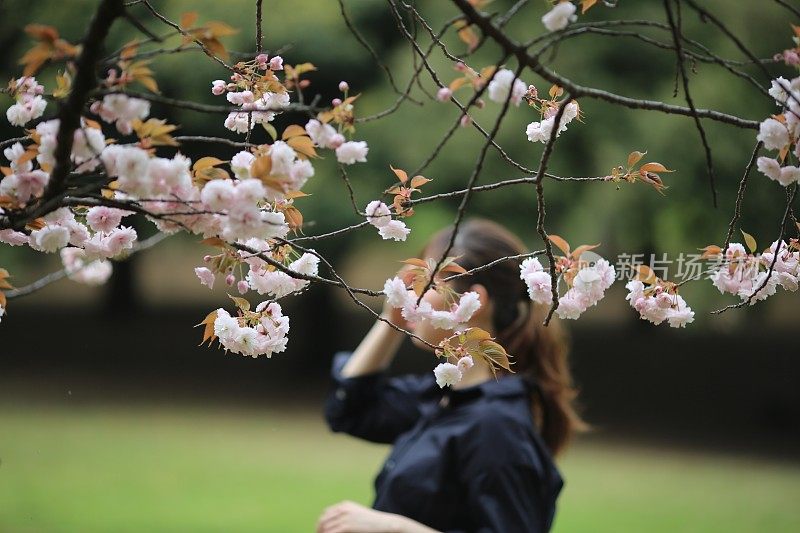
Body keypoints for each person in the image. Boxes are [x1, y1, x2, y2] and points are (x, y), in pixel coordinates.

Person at [317, 219, 586, 533]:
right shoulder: (441, 399)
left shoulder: (497, 424)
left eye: (429, 284)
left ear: (475, 300)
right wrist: (392, 321)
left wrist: (394, 528)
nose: (412, 292)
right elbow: (347, 409)